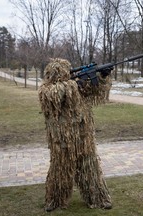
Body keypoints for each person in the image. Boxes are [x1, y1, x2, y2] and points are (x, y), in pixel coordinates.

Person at [38, 58, 112, 212]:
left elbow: (97, 92)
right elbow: (55, 96)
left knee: (90, 170)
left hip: (84, 139)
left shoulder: (76, 85)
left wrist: (102, 77)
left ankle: (98, 198)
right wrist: (73, 84)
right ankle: (55, 201)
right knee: (60, 172)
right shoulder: (46, 90)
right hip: (62, 142)